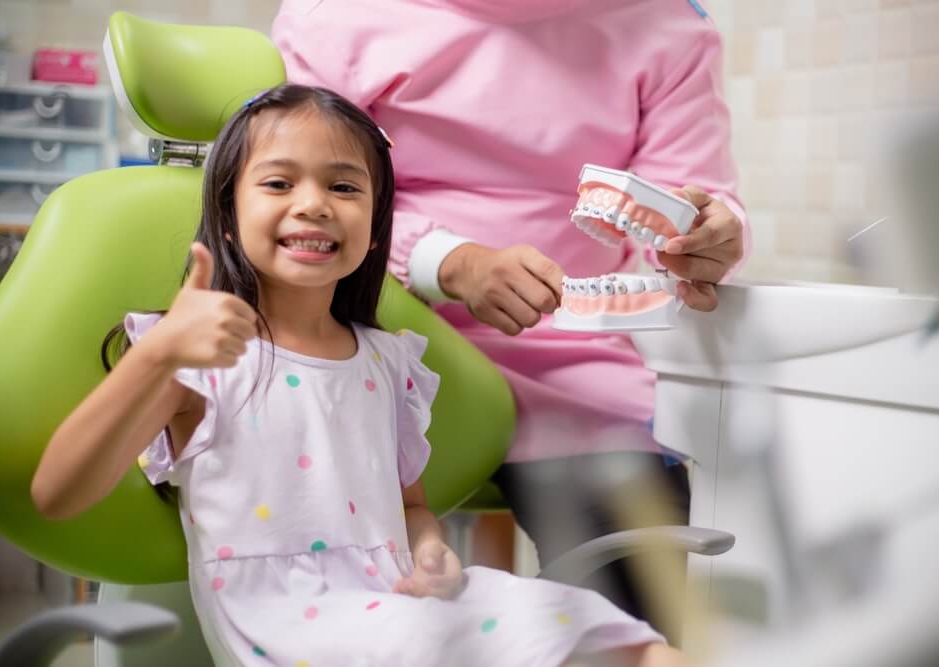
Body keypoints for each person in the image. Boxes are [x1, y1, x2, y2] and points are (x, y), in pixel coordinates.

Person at [30, 84, 685, 666]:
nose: (313, 204)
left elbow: (411, 508)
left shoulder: (385, 361)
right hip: (292, 627)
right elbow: (57, 494)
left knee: (619, 636)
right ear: (227, 217)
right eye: (279, 183)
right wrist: (157, 356)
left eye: (343, 187)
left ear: (376, 229)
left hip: (398, 604)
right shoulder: (200, 354)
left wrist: (430, 551)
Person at [271, 0, 749, 634]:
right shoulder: (337, 17)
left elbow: (694, 199)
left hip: (572, 364)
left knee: (634, 603)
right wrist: (451, 262)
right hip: (372, 340)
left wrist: (711, 236)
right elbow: (300, 198)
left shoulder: (665, 26)